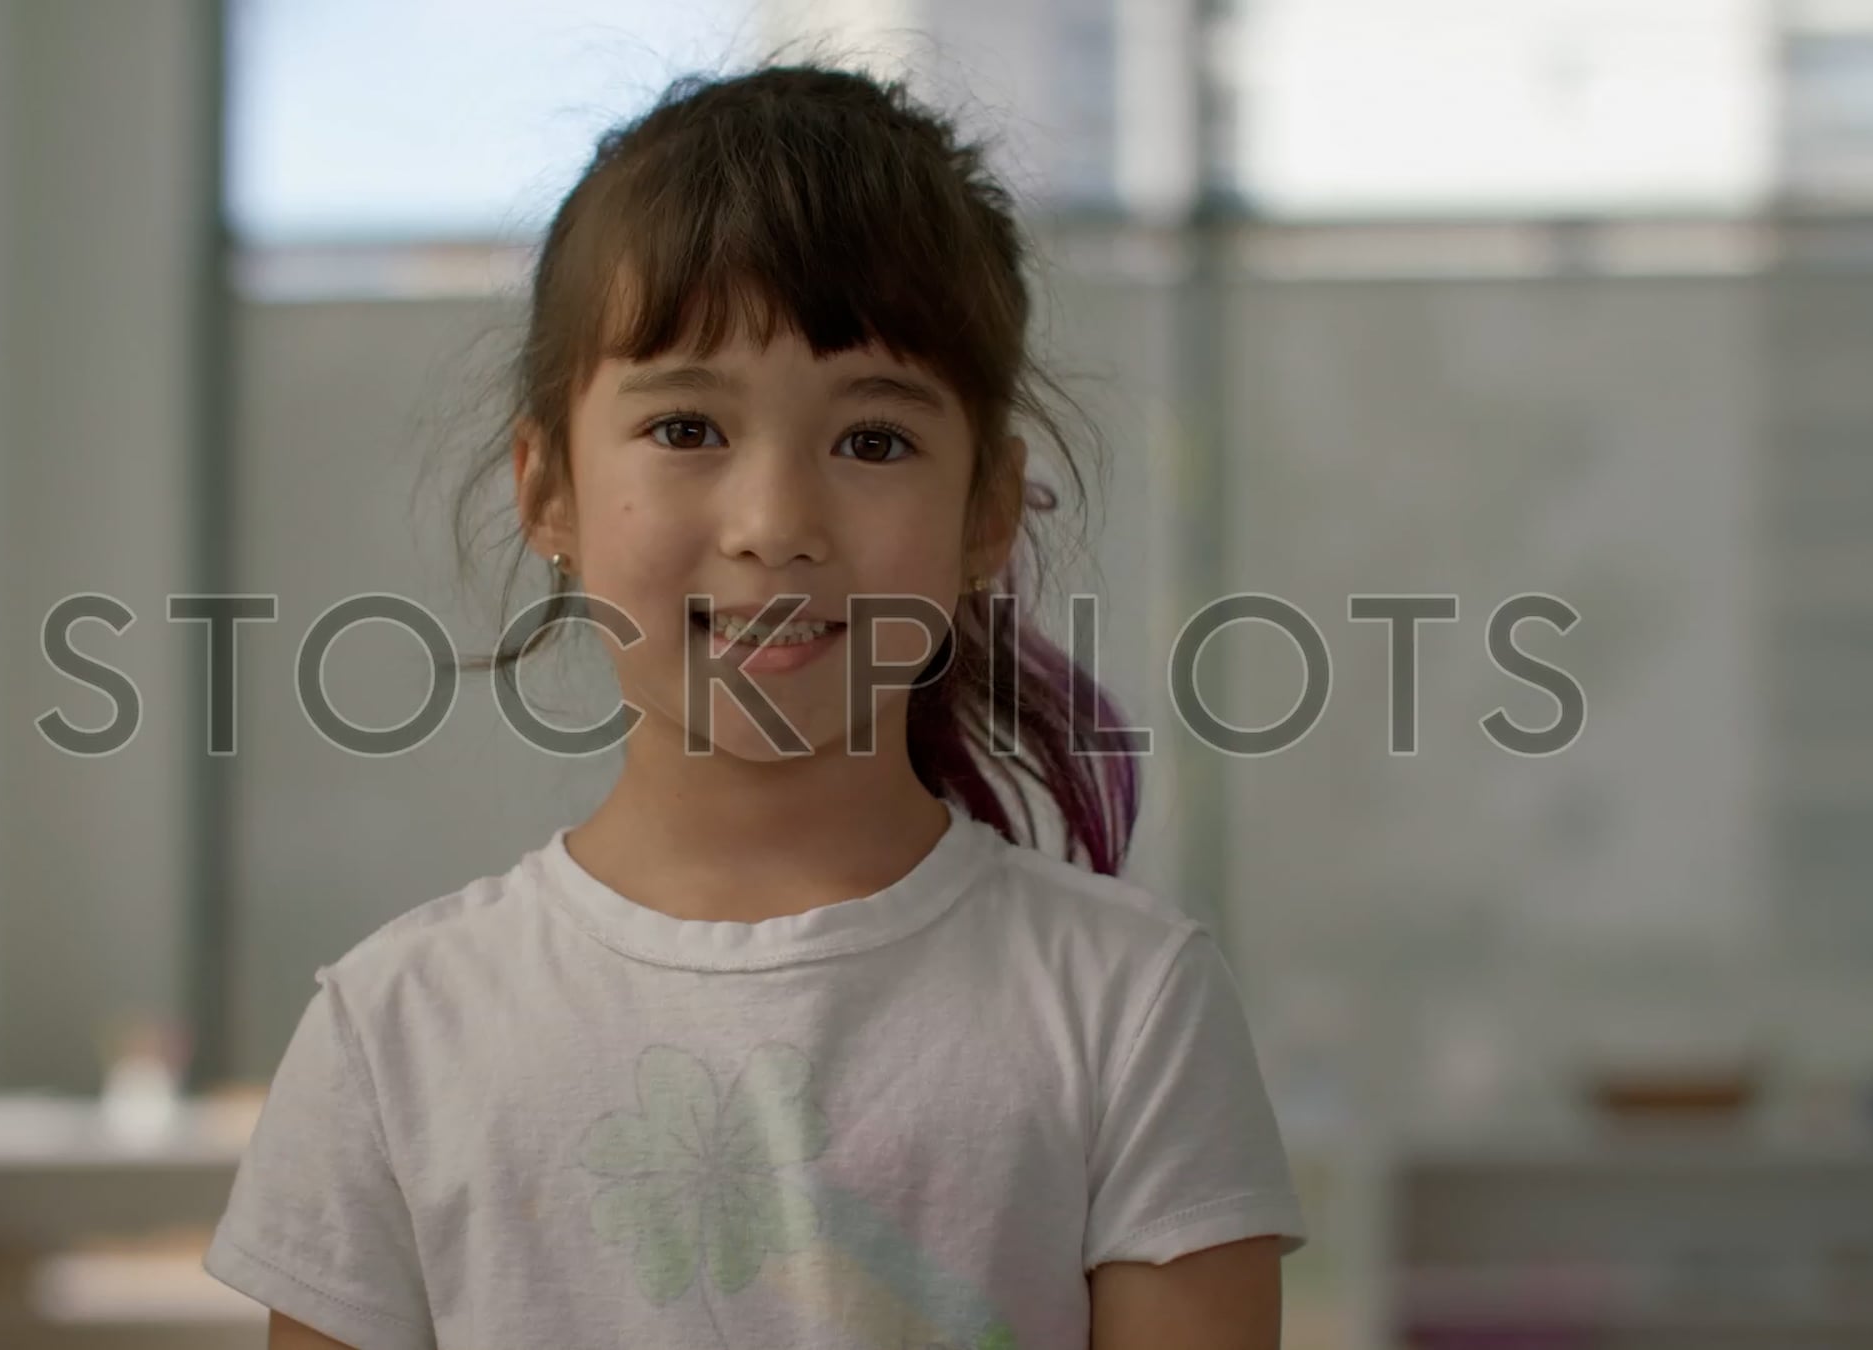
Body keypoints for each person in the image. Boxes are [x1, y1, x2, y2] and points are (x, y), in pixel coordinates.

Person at [204, 62, 1305, 1350]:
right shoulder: (394, 1034)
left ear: (986, 514)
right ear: (548, 489)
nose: (775, 524)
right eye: (687, 429)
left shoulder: (1132, 1009)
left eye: (873, 440)